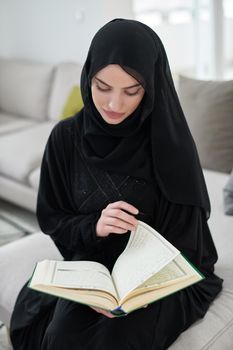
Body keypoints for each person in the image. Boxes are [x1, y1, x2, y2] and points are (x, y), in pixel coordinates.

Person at [10, 18, 223, 350]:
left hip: (156, 281)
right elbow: (53, 219)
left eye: (132, 91)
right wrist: (95, 227)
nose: (114, 105)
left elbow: (189, 246)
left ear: (151, 86)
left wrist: (139, 289)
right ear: (88, 77)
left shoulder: (170, 145)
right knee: (62, 334)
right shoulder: (65, 139)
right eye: (102, 87)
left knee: (119, 336)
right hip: (90, 265)